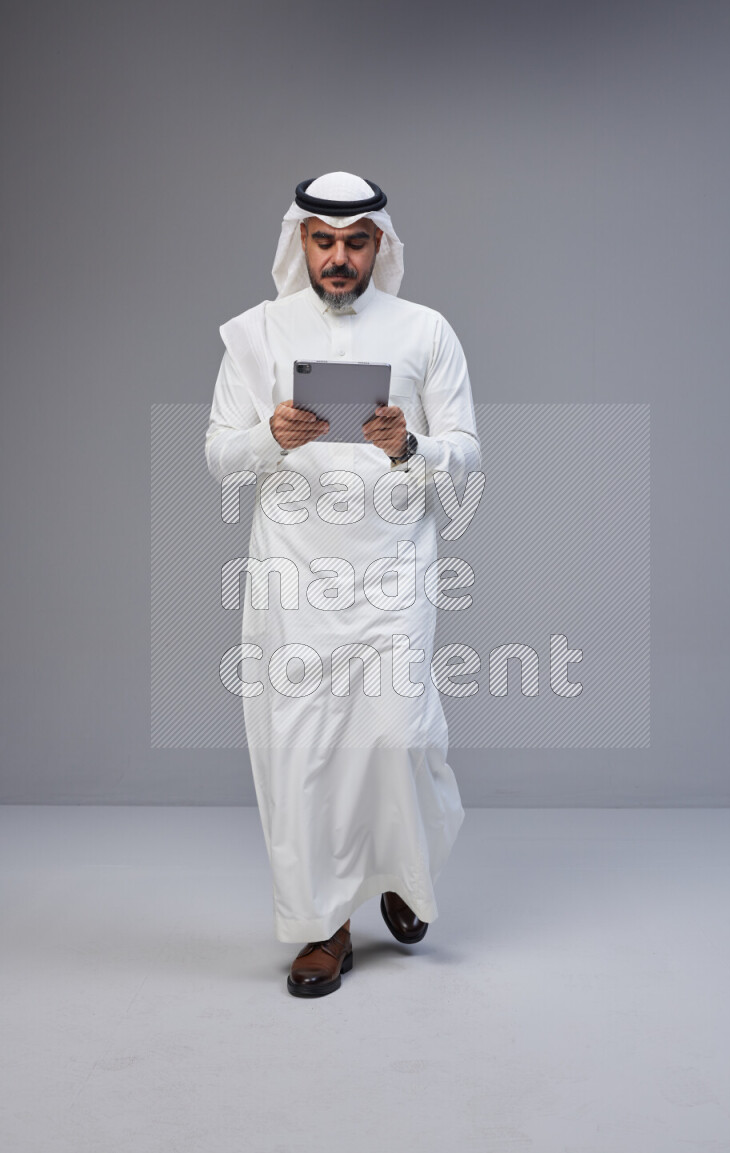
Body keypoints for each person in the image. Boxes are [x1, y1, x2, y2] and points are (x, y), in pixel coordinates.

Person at [205, 172, 481, 997]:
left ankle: (406, 868)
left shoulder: (425, 331)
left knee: (401, 736)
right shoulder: (257, 334)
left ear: (380, 246)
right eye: (323, 241)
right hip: (293, 575)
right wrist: (270, 436)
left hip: (394, 568)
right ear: (301, 241)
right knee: (304, 754)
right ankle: (322, 927)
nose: (338, 257)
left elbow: (467, 452)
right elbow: (219, 453)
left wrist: (411, 446)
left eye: (356, 241)